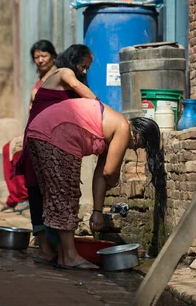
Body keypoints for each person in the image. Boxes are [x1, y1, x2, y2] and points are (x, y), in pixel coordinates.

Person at [27, 100, 164, 270]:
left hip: (39, 130)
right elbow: (108, 173)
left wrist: (97, 212)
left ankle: (57, 253)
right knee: (66, 194)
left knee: (55, 195)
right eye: (138, 146)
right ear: (137, 134)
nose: (133, 149)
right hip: (56, 132)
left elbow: (100, 173)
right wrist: (114, 180)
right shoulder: (123, 128)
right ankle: (69, 257)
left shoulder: (113, 128)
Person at [16, 44, 96, 265]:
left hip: (47, 138)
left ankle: (54, 249)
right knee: (37, 190)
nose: (85, 71)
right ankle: (45, 249)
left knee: (50, 191)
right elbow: (76, 85)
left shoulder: (64, 77)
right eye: (83, 66)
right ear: (73, 61)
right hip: (40, 138)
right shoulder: (64, 73)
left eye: (88, 68)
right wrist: (100, 106)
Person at [0, 40, 58, 213]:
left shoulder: (56, 77)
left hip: (48, 129)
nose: (40, 60)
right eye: (37, 57)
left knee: (18, 151)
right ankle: (14, 197)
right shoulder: (41, 78)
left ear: (53, 55)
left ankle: (24, 197)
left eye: (44, 56)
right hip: (34, 126)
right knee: (6, 148)